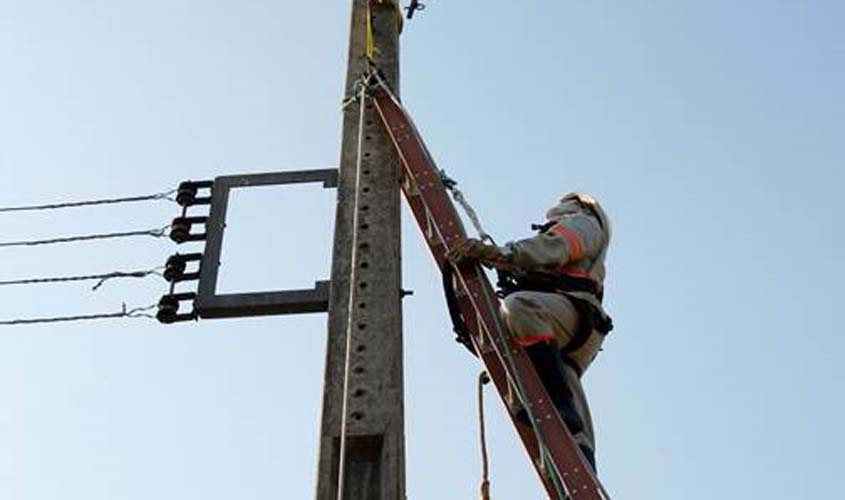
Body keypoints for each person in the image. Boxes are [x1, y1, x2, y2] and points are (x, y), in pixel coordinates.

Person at [447, 192, 613, 472]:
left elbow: (552, 248)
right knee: (560, 388)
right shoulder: (588, 232)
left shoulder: (583, 221)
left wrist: (497, 255)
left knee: (520, 307)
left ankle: (558, 403)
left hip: (568, 314)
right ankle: (583, 462)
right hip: (573, 325)